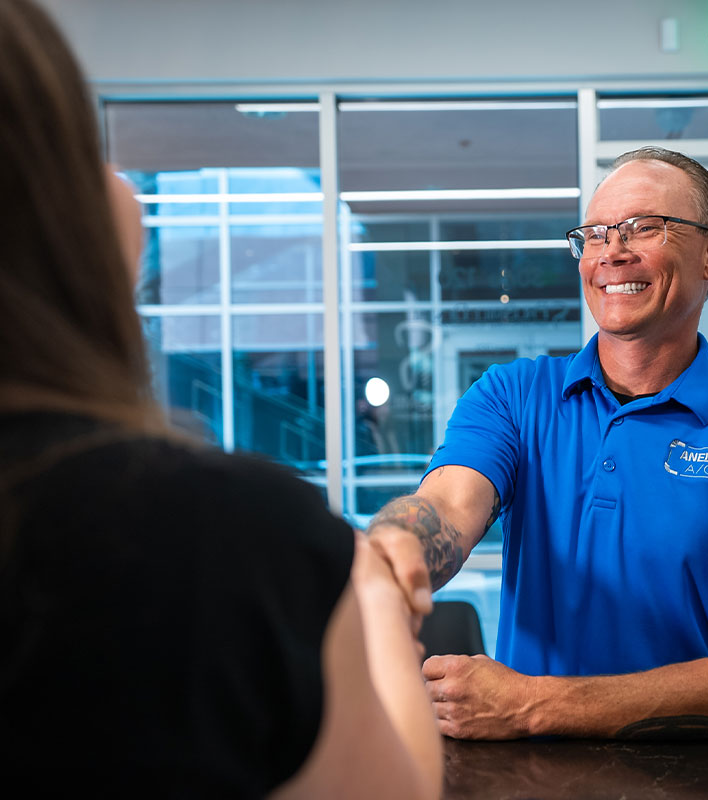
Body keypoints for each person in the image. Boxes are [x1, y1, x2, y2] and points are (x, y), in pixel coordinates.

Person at [0, 1, 442, 797]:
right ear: (53, 213)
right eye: (86, 152)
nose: (123, 183)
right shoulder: (228, 537)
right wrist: (370, 592)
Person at [368, 145, 708, 740]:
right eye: (594, 234)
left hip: (704, 776)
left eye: (644, 227)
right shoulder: (513, 395)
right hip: (526, 774)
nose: (612, 252)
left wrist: (530, 704)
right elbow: (449, 504)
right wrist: (392, 550)